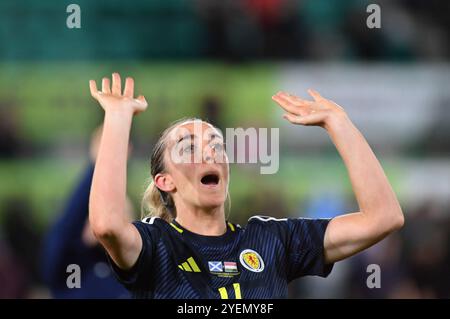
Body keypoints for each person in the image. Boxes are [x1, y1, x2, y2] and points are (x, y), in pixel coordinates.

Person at [88, 73, 404, 299]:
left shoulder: (271, 239)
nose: (209, 151)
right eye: (188, 146)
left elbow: (383, 218)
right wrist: (117, 118)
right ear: (164, 181)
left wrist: (339, 123)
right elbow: (106, 225)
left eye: (216, 143)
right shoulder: (155, 244)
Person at [41, 127, 130, 298]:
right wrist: (98, 163)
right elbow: (69, 221)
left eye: (118, 215)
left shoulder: (137, 274)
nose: (105, 222)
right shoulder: (68, 267)